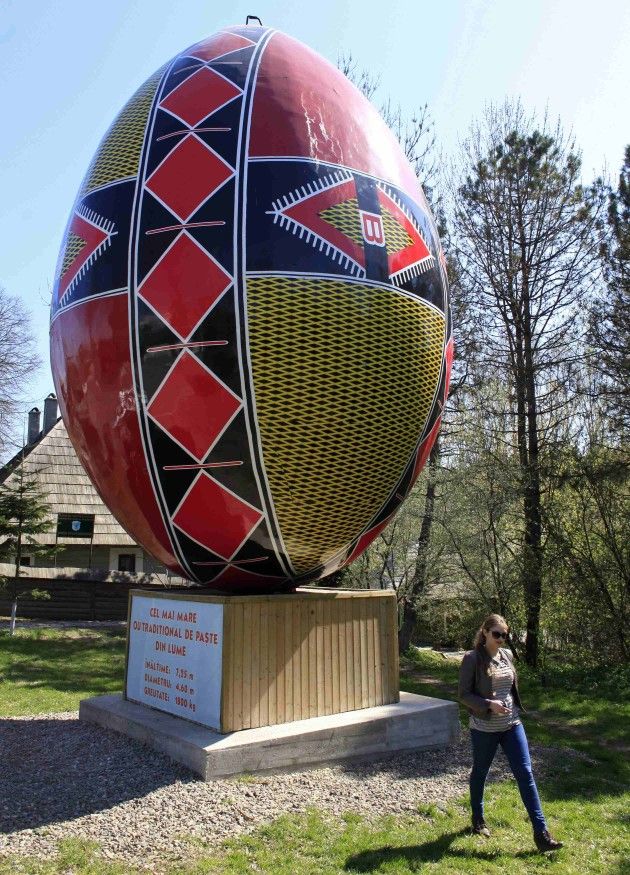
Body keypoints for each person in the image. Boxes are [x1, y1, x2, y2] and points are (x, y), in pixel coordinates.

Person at [457, 613, 563, 853]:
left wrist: (508, 705)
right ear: (485, 633)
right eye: (497, 634)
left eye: (505, 635)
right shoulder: (472, 659)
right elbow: (463, 694)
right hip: (485, 728)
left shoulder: (507, 655)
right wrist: (488, 704)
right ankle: (477, 819)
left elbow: (510, 687)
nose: (501, 639)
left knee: (525, 773)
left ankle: (541, 834)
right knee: (480, 772)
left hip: (512, 725)